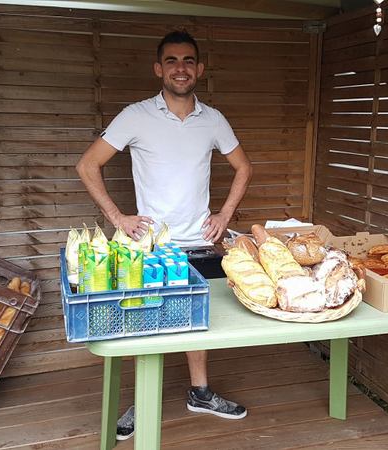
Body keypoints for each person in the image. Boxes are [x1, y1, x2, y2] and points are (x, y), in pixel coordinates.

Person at [76, 30, 253, 441]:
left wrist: (224, 215)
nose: (180, 68)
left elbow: (243, 167)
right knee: (144, 322)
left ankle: (201, 393)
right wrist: (119, 217)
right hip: (150, 246)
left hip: (197, 241)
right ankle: (143, 400)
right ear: (159, 69)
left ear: (200, 69)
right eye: (171, 61)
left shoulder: (213, 119)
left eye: (188, 60)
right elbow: (88, 165)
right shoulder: (135, 115)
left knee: (198, 322)